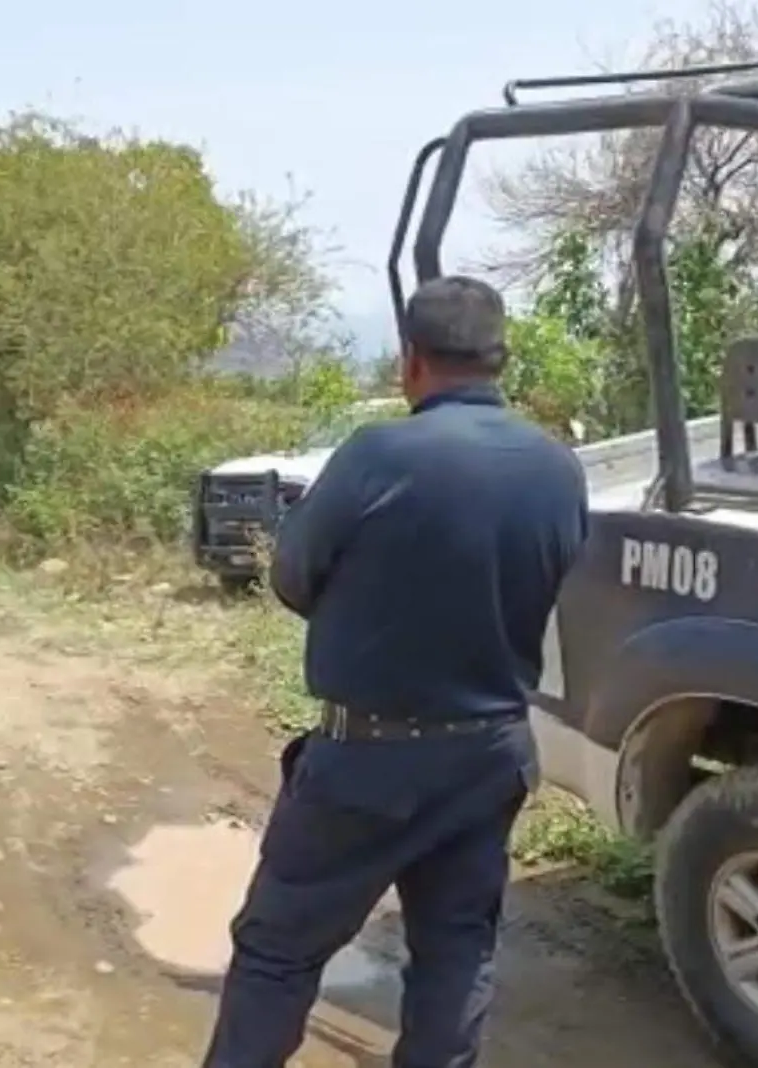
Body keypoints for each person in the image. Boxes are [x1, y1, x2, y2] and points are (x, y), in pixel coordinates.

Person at [201, 275, 591, 1068]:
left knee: (278, 949)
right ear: (500, 359)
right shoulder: (558, 468)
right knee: (455, 953)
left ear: (411, 362)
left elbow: (292, 577)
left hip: (367, 763)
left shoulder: (378, 455)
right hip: (490, 753)